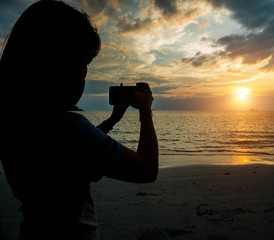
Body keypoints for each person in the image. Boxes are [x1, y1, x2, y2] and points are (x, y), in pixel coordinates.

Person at [0, 1, 158, 239]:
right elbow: (147, 170)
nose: (85, 73)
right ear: (58, 65)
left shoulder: (13, 122)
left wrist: (112, 121)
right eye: (83, 62)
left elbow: (77, 154)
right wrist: (146, 110)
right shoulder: (69, 129)